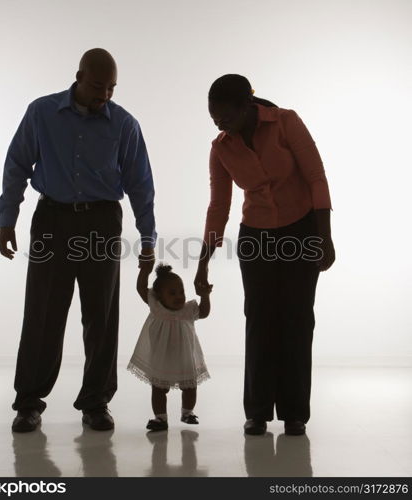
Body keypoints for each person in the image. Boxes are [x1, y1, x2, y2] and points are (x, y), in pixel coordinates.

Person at [0, 48, 157, 433]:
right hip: (52, 218)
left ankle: (96, 402)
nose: (105, 95)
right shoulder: (41, 113)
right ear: (79, 76)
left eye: (112, 88)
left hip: (102, 222)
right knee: (43, 314)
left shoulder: (125, 124)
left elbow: (140, 184)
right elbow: (17, 164)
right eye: (98, 86)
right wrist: (8, 221)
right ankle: (29, 403)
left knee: (100, 316)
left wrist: (148, 237)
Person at [194, 74, 335, 436]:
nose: (219, 125)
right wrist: (203, 263)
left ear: (247, 107)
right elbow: (218, 206)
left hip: (300, 228)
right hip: (256, 237)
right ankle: (257, 412)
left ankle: (294, 414)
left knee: (297, 318)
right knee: (259, 318)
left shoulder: (286, 122)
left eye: (225, 117)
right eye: (214, 118)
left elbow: (316, 177)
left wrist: (324, 237)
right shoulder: (221, 148)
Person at [127, 264, 212, 431]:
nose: (179, 296)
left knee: (190, 386)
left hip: (185, 356)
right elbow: (141, 288)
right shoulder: (156, 307)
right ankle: (160, 418)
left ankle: (187, 412)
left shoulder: (188, 310)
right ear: (159, 296)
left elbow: (204, 312)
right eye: (172, 293)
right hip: (162, 357)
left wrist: (205, 296)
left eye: (181, 292)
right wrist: (145, 271)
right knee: (159, 388)